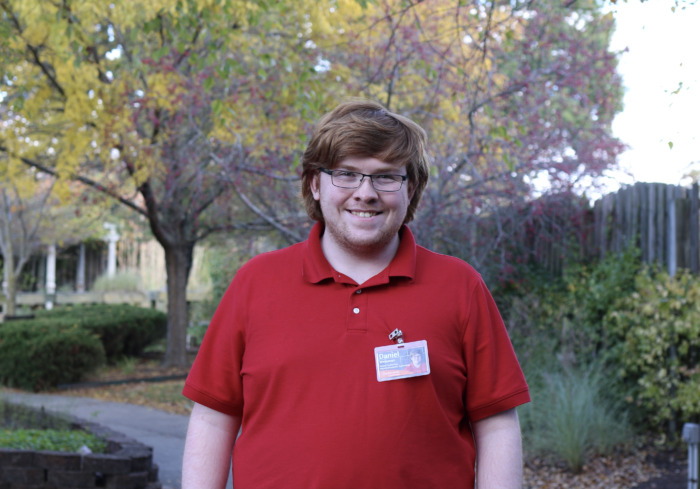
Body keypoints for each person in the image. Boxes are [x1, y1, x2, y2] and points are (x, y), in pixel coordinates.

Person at [181, 100, 530, 489]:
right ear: (315, 184)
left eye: (385, 177)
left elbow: (496, 423)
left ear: (409, 188)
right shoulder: (255, 283)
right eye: (346, 174)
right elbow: (213, 416)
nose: (365, 193)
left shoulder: (461, 288)